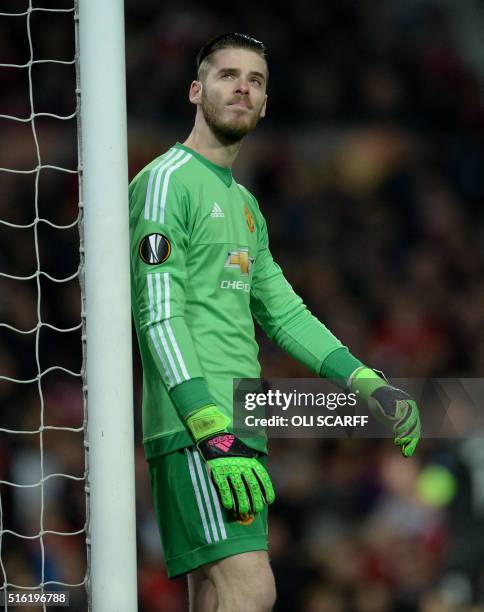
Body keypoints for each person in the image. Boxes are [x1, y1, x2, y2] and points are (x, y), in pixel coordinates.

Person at [129, 33, 421, 612]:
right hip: (200, 425)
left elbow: (285, 313)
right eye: (227, 75)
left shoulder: (244, 204)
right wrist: (208, 425)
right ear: (196, 90)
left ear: (265, 105)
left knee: (217, 596)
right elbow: (158, 313)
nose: (242, 86)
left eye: (256, 81)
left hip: (237, 421)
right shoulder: (165, 181)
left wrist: (365, 382)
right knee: (251, 589)